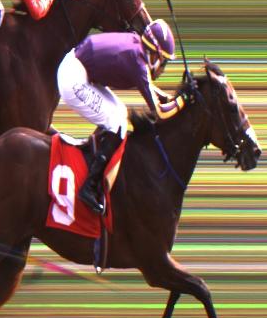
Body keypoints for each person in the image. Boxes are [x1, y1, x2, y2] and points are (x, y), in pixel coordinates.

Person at [55, 20, 179, 214]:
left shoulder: (138, 50)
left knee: (120, 113)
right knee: (116, 123)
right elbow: (160, 113)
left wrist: (174, 99)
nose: (163, 68)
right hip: (73, 79)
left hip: (78, 67)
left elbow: (150, 89)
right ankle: (89, 186)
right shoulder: (138, 61)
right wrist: (182, 101)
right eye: (164, 61)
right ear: (155, 54)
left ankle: (96, 157)